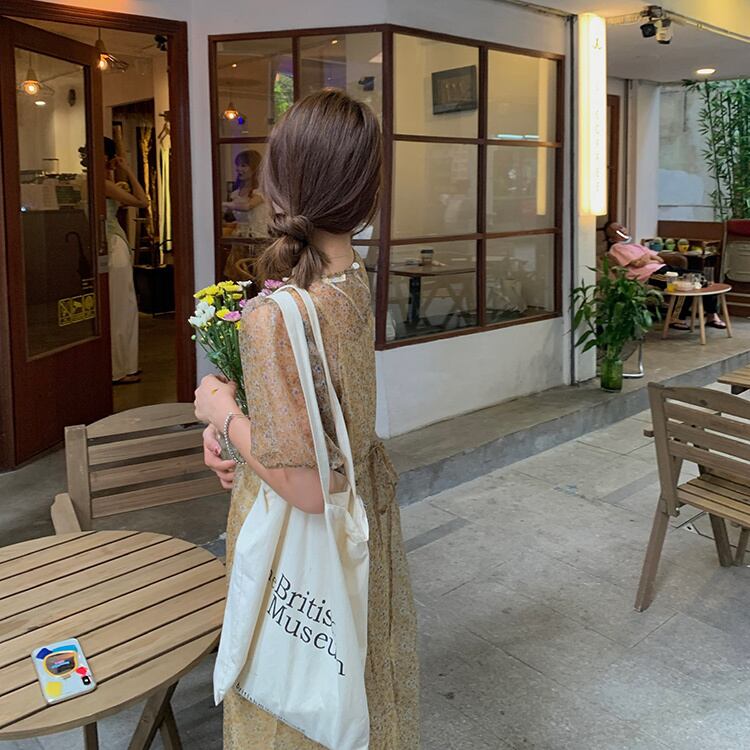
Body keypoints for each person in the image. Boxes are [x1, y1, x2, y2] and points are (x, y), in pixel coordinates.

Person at [194, 89, 420, 749]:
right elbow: (314, 420)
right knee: (357, 677)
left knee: (291, 691)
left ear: (277, 183)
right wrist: (241, 432)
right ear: (367, 194)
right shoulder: (352, 278)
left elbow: (307, 486)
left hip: (302, 529)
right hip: (365, 514)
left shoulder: (277, 314)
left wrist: (221, 412)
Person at [604, 221, 726, 330]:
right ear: (611, 239)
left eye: (621, 227)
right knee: (685, 282)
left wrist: (646, 259)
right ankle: (676, 318)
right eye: (616, 230)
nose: (622, 230)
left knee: (701, 276)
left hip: (662, 268)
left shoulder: (636, 246)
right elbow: (637, 264)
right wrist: (647, 257)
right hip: (649, 275)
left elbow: (659, 259)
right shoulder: (616, 248)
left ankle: (711, 315)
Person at [103, 137, 149, 383]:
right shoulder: (103, 184)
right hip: (113, 246)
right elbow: (143, 201)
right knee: (121, 307)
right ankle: (119, 369)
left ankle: (122, 366)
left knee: (121, 305)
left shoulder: (104, 183)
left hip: (111, 245)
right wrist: (128, 170)